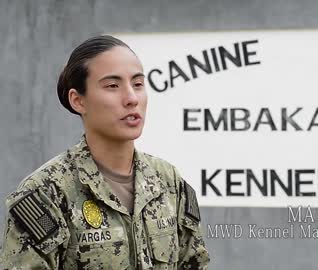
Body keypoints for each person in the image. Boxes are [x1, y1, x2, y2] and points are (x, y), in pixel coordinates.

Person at [0, 35, 209, 269]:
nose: (131, 98)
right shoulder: (46, 193)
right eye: (112, 86)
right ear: (78, 101)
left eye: (138, 84)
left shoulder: (169, 182)